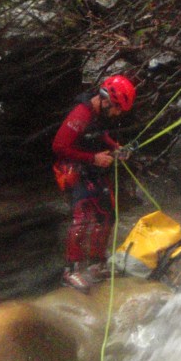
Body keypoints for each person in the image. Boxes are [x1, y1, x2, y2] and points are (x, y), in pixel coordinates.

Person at [52, 74, 136, 293]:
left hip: (90, 167)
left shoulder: (98, 113)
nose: (118, 113)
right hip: (73, 168)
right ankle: (71, 270)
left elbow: (99, 134)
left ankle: (96, 265)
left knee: (107, 213)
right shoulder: (81, 114)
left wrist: (115, 148)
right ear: (106, 100)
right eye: (117, 108)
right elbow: (59, 146)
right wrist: (93, 158)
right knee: (84, 216)